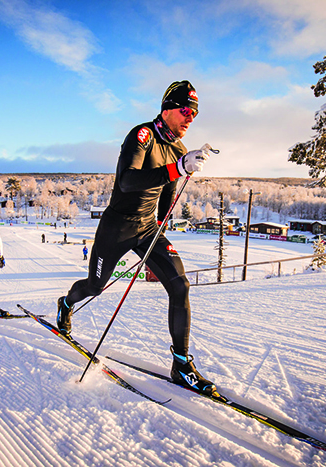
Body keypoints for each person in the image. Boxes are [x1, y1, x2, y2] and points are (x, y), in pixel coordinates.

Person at [56, 80, 217, 395]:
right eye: (185, 110)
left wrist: (161, 226)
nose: (190, 118)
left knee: (180, 284)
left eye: (194, 114)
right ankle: (65, 303)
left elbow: (168, 194)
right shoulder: (142, 135)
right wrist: (178, 168)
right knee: (95, 287)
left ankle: (181, 364)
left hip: (147, 230)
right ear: (167, 108)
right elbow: (128, 181)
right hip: (116, 229)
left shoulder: (179, 149)